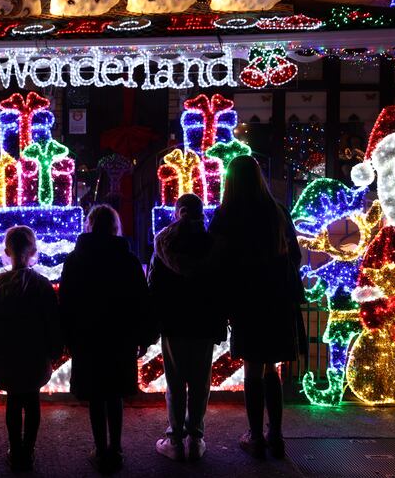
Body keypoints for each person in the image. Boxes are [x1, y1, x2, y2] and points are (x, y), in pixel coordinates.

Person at [209, 155, 305, 460]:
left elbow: (217, 259)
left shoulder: (228, 214)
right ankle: (275, 435)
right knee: (271, 369)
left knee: (252, 369)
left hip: (246, 299)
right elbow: (296, 256)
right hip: (278, 298)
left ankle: (255, 436)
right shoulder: (277, 211)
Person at [59, 204, 154, 474]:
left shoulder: (75, 260)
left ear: (90, 225)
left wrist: (67, 336)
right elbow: (140, 301)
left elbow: (66, 301)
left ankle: (101, 449)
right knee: (114, 395)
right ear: (115, 227)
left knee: (96, 396)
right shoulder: (128, 259)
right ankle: (116, 448)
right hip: (119, 337)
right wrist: (143, 336)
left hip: (87, 336)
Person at [148, 193, 227, 461]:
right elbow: (220, 287)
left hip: (173, 321)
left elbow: (153, 285)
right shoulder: (211, 244)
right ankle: (196, 438)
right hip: (204, 321)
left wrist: (155, 319)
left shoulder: (164, 243)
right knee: (200, 381)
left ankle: (176, 440)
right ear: (200, 213)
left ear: (178, 212)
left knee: (176, 382)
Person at [0, 226, 61, 471]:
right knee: (32, 400)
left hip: (6, 356)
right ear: (33, 251)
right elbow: (53, 322)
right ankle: (28, 449)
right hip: (35, 355)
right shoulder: (42, 286)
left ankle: (15, 449)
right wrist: (54, 350)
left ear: (7, 251)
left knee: (14, 402)